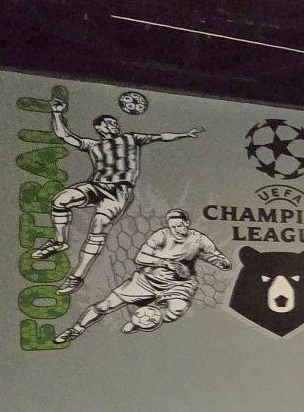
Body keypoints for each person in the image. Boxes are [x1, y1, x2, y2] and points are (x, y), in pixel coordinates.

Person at [30, 86, 203, 293]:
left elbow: (161, 136)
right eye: (110, 123)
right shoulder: (92, 145)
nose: (115, 125)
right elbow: (64, 135)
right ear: (100, 127)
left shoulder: (130, 138)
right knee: (60, 200)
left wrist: (185, 134)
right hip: (97, 185)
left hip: (119, 191)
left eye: (116, 123)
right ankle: (59, 241)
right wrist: (57, 113)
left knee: (99, 226)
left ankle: (77, 277)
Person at [54, 209, 229, 343]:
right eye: (172, 227)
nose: (176, 229)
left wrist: (221, 262)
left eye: (179, 225)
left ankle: (142, 320)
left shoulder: (199, 239)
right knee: (106, 305)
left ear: (187, 223)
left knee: (177, 309)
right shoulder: (161, 236)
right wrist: (164, 262)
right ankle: (76, 329)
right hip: (147, 280)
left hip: (179, 284)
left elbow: (213, 255)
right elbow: (140, 258)